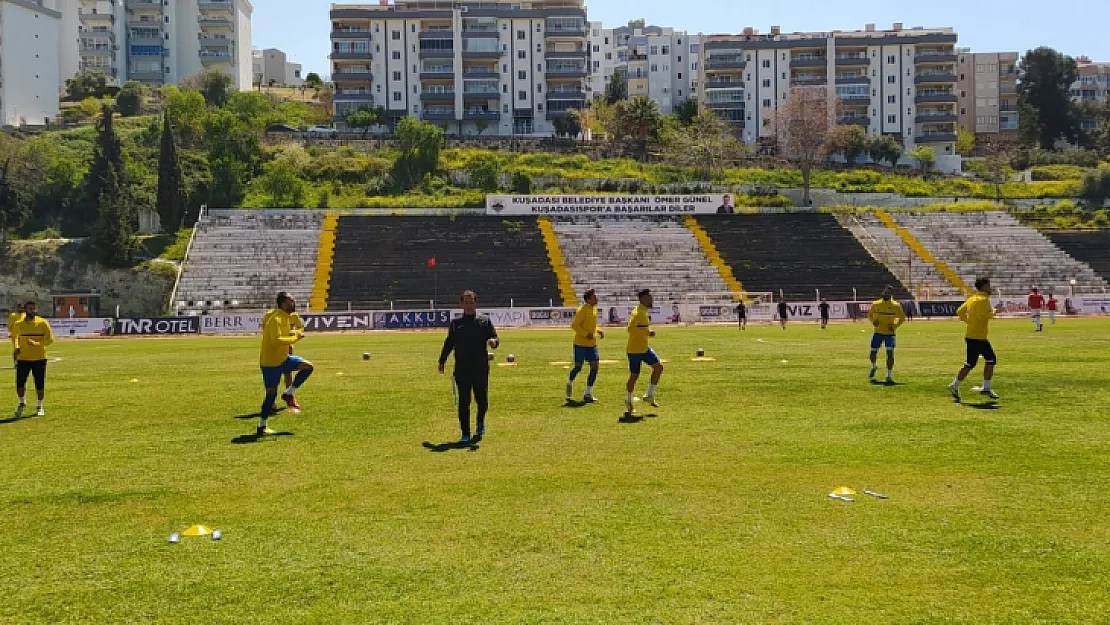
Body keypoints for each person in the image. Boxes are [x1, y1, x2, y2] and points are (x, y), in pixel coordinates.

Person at [439, 290, 499, 444]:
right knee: (464, 401)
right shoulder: (456, 323)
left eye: (471, 301)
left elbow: (494, 337)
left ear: (475, 303)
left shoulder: (484, 321)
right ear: (461, 304)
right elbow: (449, 343)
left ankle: (480, 423)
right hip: (462, 369)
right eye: (466, 302)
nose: (469, 305)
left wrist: (493, 342)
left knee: (482, 400)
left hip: (480, 367)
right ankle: (465, 433)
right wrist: (442, 360)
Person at [257, 292, 314, 435]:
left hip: (284, 358)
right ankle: (262, 425)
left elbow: (298, 328)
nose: (294, 304)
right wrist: (294, 337)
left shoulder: (287, 317)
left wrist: (295, 334)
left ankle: (289, 393)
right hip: (270, 363)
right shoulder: (275, 319)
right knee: (270, 395)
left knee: (308, 367)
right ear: (283, 304)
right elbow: (275, 341)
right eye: (291, 301)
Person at [949, 278, 1000, 401]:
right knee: (991, 359)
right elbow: (983, 316)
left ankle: (954, 385)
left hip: (970, 335)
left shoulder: (972, 298)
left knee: (970, 363)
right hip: (979, 337)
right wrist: (994, 311)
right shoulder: (983, 300)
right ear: (983, 287)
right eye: (988, 285)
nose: (990, 287)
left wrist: (969, 322)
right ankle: (986, 387)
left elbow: (959, 311)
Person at [11, 301, 54, 418]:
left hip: (39, 358)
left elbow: (50, 339)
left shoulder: (43, 323)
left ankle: (40, 406)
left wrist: (37, 343)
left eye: (34, 309)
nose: (33, 311)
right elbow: (15, 338)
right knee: (19, 383)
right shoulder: (18, 324)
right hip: (23, 358)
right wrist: (16, 347)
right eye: (30, 309)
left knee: (39, 383)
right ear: (25, 310)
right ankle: (21, 402)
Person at [625, 289, 663, 416]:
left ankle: (649, 394)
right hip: (634, 350)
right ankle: (628, 399)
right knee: (634, 375)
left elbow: (641, 327)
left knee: (658, 367)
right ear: (642, 300)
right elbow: (630, 328)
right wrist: (647, 332)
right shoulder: (637, 312)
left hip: (644, 348)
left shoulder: (644, 312)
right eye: (648, 298)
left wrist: (647, 331)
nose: (651, 300)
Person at [567, 289, 603, 403]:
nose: (596, 298)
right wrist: (585, 334)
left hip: (591, 344)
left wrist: (598, 330)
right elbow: (574, 325)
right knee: (578, 367)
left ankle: (587, 393)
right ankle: (570, 382)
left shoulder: (594, 310)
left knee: (595, 366)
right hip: (580, 344)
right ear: (588, 299)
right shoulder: (582, 310)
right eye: (594, 297)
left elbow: (592, 325)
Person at [867, 286, 906, 384]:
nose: (886, 293)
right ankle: (874, 366)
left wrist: (894, 326)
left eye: (888, 292)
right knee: (872, 353)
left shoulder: (896, 305)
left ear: (891, 294)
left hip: (890, 334)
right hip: (878, 332)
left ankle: (888, 375)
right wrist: (873, 321)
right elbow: (870, 314)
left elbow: (902, 318)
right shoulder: (876, 304)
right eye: (885, 292)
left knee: (890, 354)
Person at [281, 310, 306, 410]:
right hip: (278, 345)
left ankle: (289, 396)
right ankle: (272, 401)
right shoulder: (277, 315)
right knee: (275, 372)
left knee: (288, 372)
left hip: (289, 345)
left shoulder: (294, 315)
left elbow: (301, 327)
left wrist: (295, 332)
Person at [7, 302, 24, 368]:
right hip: (16, 335)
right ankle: (16, 363)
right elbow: (10, 325)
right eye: (20, 307)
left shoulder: (25, 315)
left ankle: (22, 362)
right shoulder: (13, 315)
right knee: (16, 349)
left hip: (24, 335)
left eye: (22, 307)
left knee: (24, 349)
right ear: (17, 308)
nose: (21, 309)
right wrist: (10, 332)